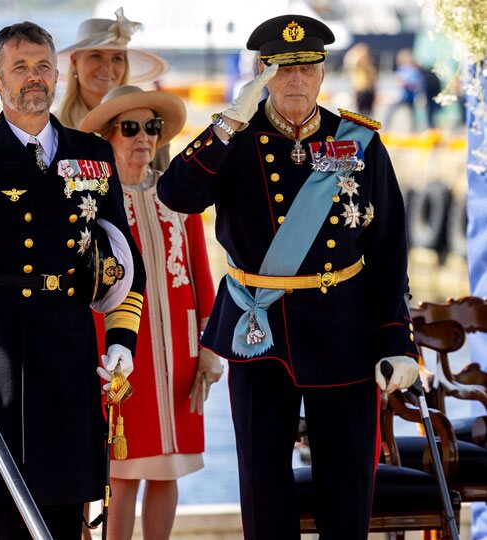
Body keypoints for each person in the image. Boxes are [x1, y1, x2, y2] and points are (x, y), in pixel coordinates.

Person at [158, 14, 420, 539]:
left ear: (323, 73)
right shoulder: (235, 139)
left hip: (342, 331)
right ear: (262, 74)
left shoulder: (359, 143)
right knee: (263, 485)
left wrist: (397, 341)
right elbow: (175, 195)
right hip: (261, 331)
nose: (295, 79)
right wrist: (227, 123)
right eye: (282, 68)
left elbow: (389, 250)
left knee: (347, 489)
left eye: (306, 67)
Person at [0, 21, 145, 540]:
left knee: (66, 510)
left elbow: (124, 255)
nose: (34, 78)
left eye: (42, 66)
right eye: (20, 68)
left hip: (68, 348)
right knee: (8, 510)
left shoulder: (92, 153)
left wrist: (120, 339)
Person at [80, 85, 219, 539]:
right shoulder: (92, 202)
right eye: (131, 128)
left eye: (152, 128)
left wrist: (209, 348)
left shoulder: (175, 194)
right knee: (122, 470)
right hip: (120, 351)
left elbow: (200, 271)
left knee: (167, 469)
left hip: (179, 353)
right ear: (108, 136)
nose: (144, 137)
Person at [56, 8, 167, 130]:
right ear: (74, 61)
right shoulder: (51, 128)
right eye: (96, 56)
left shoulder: (147, 126)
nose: (108, 68)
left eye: (117, 58)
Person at [385, 49, 424, 132]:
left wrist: (405, 83)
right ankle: (385, 129)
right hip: (400, 96)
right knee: (390, 112)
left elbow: (416, 84)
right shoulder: (401, 69)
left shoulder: (414, 71)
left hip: (409, 96)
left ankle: (414, 131)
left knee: (413, 116)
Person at [343, 43, 377, 117]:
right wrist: (357, 52)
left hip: (369, 90)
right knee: (359, 112)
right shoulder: (355, 66)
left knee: (369, 113)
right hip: (360, 90)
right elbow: (349, 61)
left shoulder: (370, 66)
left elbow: (373, 79)